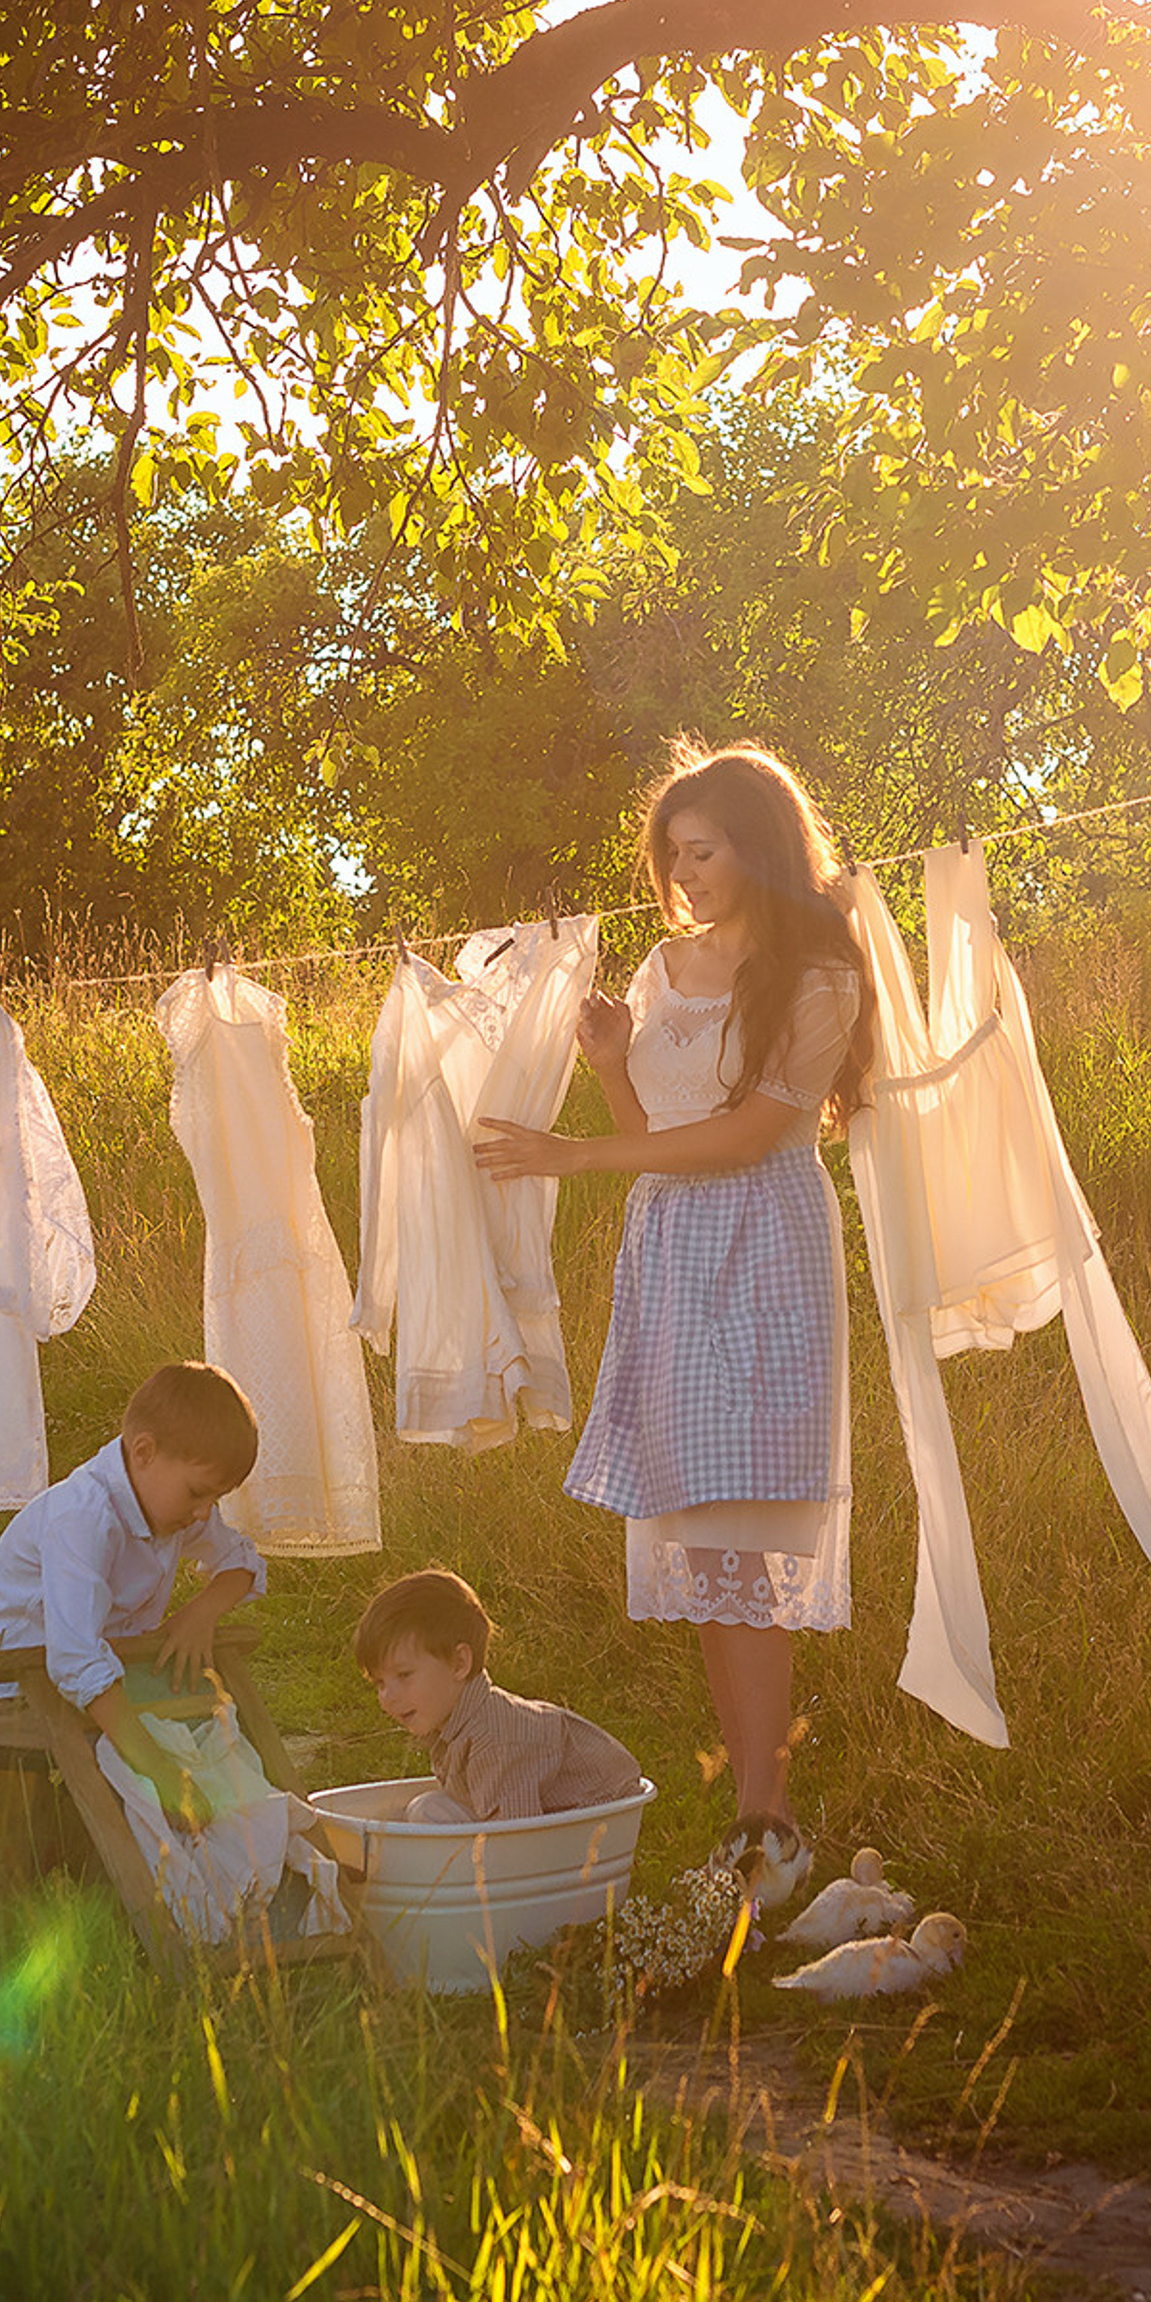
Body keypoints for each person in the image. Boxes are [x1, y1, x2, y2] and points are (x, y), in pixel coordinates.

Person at [475, 742, 872, 1905]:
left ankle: (767, 1820)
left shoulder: (817, 972)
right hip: (671, 1251)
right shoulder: (663, 963)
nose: (685, 874)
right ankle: (764, 1821)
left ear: (758, 844)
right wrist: (608, 1064)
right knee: (703, 1549)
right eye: (672, 856)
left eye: (704, 852)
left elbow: (751, 1135)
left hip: (763, 1249)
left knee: (744, 1542)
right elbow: (658, 1120)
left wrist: (579, 1154)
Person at [0, 1360, 264, 1829]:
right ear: (144, 1452)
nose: (204, 1514)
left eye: (215, 1500)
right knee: (151, 1750)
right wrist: (162, 1777)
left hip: (97, 1678)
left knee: (217, 1727)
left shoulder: (172, 1508)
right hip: (10, 1694)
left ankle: (233, 1857)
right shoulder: (81, 1518)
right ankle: (137, 1880)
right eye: (198, 1493)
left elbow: (241, 1561)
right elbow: (74, 1661)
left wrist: (202, 1613)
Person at [353, 1567, 643, 1824]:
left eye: (404, 1675)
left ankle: (446, 1882)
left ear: (459, 1664)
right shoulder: (457, 1723)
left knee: (428, 1814)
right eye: (379, 1682)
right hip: (554, 1816)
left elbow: (514, 1843)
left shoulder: (496, 1740)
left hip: (593, 1824)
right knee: (428, 1809)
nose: (388, 1696)